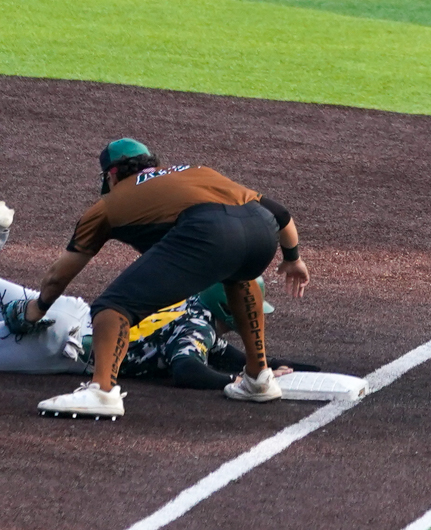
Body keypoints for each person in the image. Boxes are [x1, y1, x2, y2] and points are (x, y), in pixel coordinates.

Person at [0, 175, 316, 391]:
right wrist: (237, 381)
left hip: (66, 311)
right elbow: (188, 366)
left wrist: (284, 368)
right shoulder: (198, 330)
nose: (244, 323)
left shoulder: (185, 308)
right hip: (61, 347)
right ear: (223, 308)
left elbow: (231, 353)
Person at [25, 139, 311, 419]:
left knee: (111, 307)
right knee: (239, 276)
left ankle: (102, 391)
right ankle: (259, 378)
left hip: (209, 232)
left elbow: (57, 276)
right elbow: (280, 213)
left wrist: (38, 308)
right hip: (263, 233)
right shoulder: (197, 172)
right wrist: (293, 259)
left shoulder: (108, 204)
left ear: (111, 175)